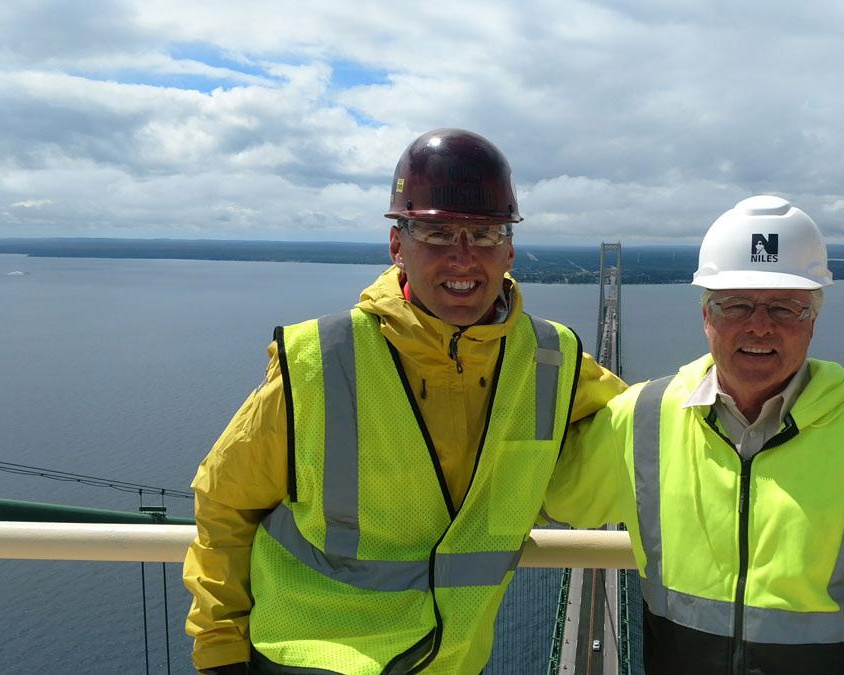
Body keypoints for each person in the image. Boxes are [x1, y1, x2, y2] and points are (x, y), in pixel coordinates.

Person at [182, 128, 625, 674]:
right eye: (437, 233)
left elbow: (656, 435)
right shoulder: (320, 362)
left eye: (483, 234)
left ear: (509, 249)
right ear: (398, 245)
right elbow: (225, 504)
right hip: (308, 661)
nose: (463, 258)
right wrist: (220, 650)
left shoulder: (551, 361)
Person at [544, 195, 844, 674]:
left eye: (785, 307)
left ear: (813, 320)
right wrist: (548, 372)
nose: (759, 327)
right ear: (705, 316)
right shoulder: (644, 420)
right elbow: (550, 488)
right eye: (736, 305)